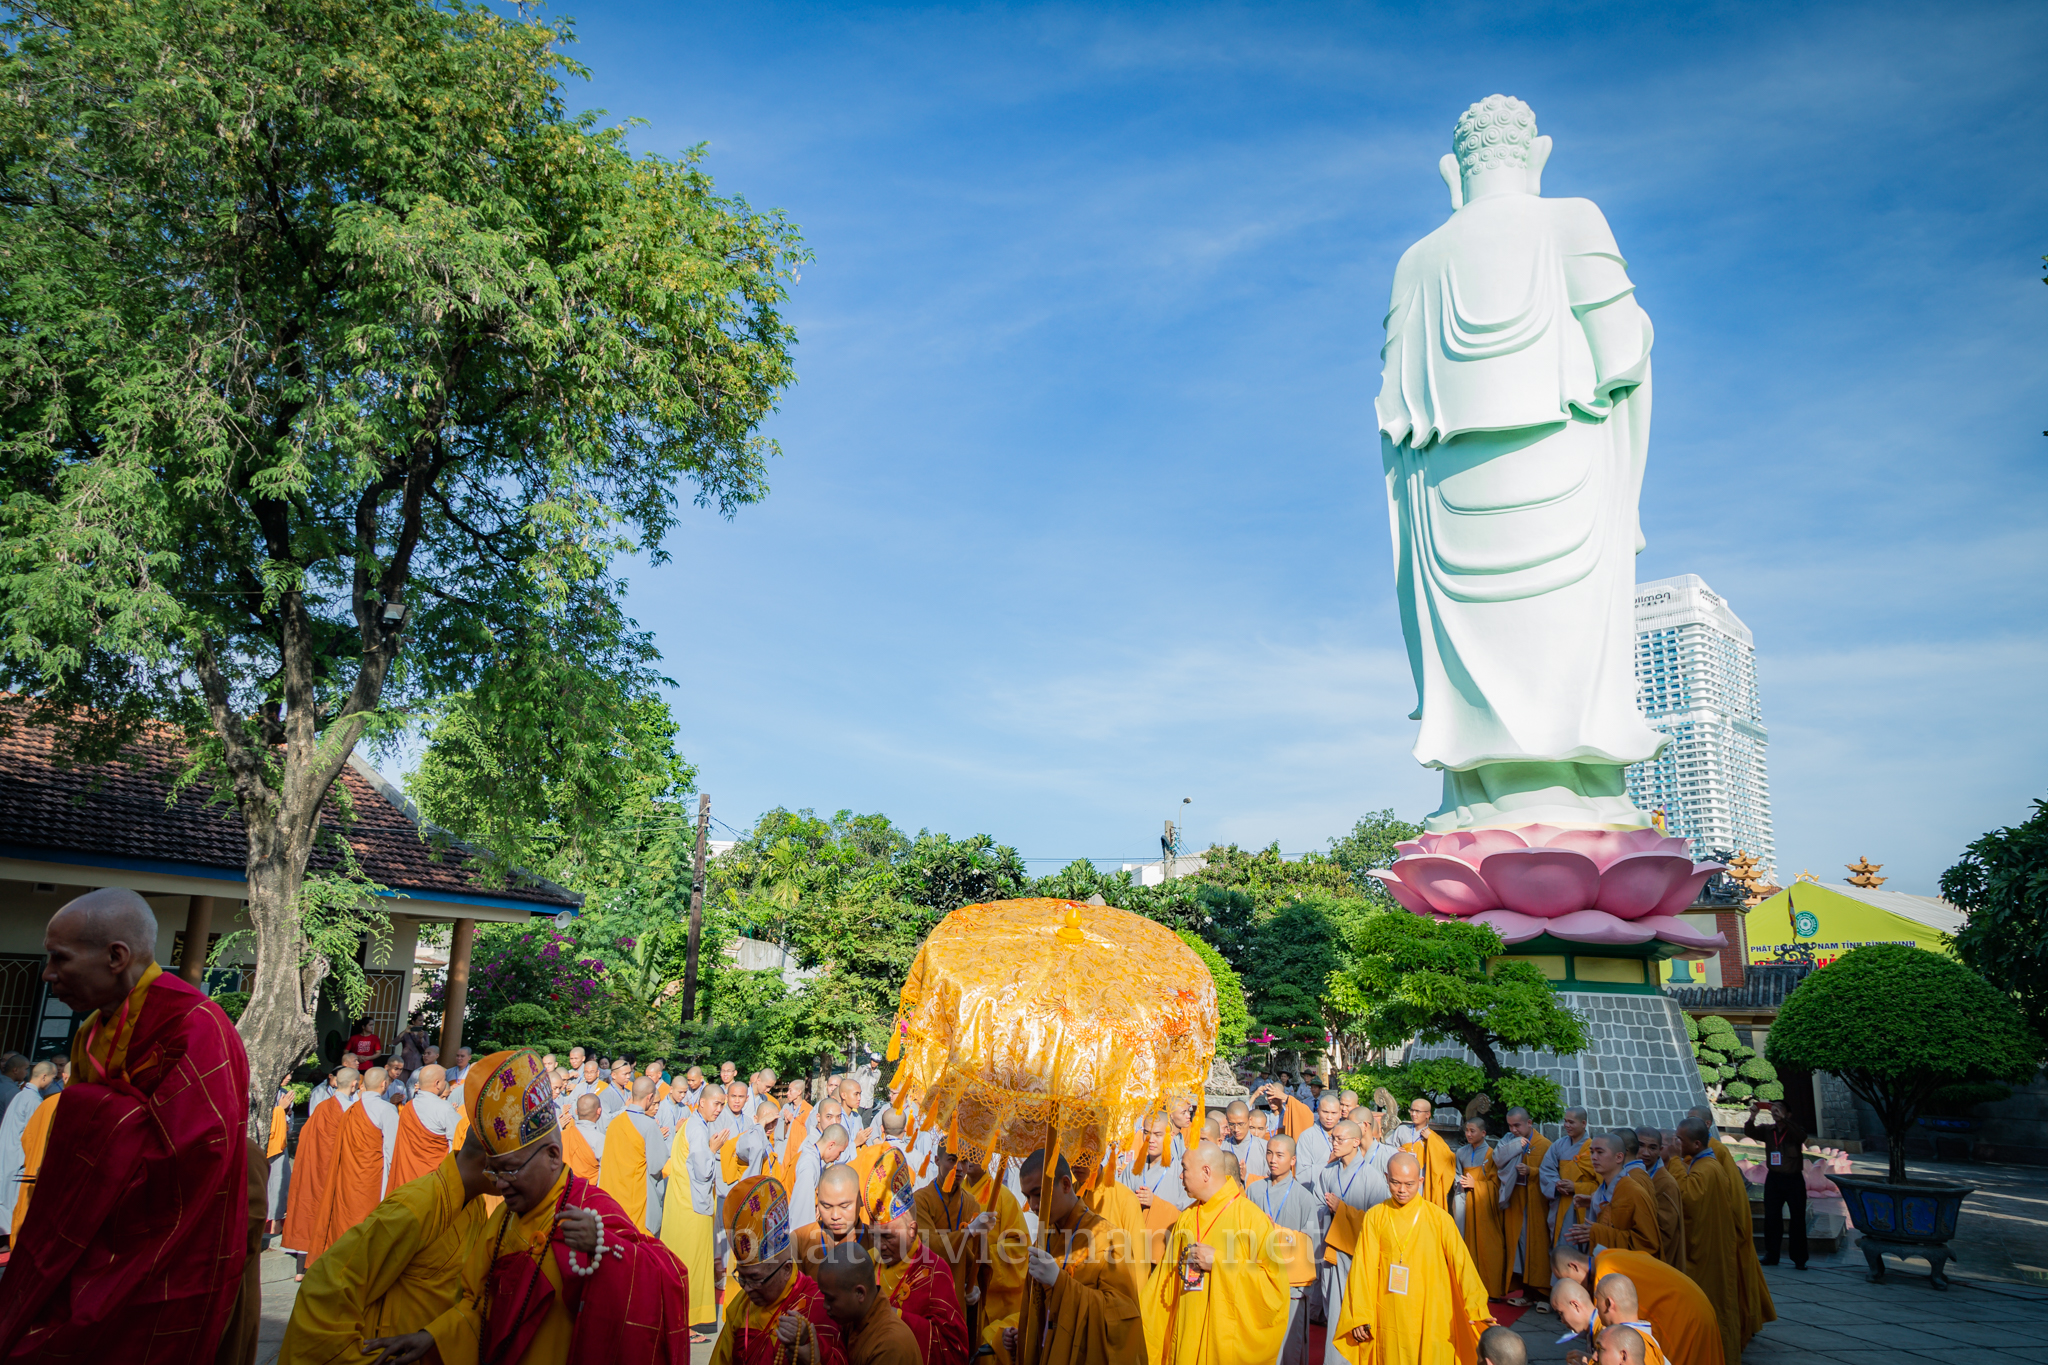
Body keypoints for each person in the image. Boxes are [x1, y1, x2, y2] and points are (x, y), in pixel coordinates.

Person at [0, 888, 251, 1359]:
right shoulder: (90, 1031)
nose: (48, 973)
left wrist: (96, 1115)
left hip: (158, 1250)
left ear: (116, 957)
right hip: (81, 1232)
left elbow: (196, 1159)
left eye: (60, 958)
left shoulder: (194, 1025)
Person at [370, 1048, 690, 1364]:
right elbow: (477, 1305)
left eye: (510, 1170)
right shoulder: (502, 1220)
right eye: (494, 1172)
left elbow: (668, 1276)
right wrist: (433, 1337)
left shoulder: (591, 1209)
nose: (500, 1184)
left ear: (552, 1155)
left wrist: (603, 1247)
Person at [280, 1131, 494, 1364]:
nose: (516, 1177)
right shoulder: (415, 1207)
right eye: (513, 1167)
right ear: (489, 1163)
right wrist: (358, 1358)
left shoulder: (475, 1205)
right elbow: (327, 1282)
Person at [1333, 1152, 1493, 1365]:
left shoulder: (1439, 1218)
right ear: (1386, 1177)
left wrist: (1478, 1307)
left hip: (1431, 1312)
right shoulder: (1375, 1216)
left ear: (1420, 1181)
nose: (1402, 1190)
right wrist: (1360, 1315)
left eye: (1409, 1184)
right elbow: (1362, 1269)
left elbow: (1462, 1265)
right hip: (1390, 1312)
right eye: (1395, 1183)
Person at [1140, 1140, 1291, 1365]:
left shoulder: (1252, 1219)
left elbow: (1274, 1291)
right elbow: (1163, 1284)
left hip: (1224, 1347)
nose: (1180, 1176)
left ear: (1206, 1172)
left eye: (1184, 1169)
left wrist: (1220, 1263)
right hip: (1186, 1337)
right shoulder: (1186, 1218)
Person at [997, 1147, 1144, 1365]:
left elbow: (1121, 1320)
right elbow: (1039, 1311)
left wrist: (1060, 1282)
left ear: (1066, 1184)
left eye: (1038, 1194)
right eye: (1027, 1196)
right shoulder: (1045, 1239)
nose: (1033, 1206)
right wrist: (1023, 1334)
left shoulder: (1109, 1239)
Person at [711, 1175, 850, 1365]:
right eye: (742, 1279)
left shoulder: (818, 1306)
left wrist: (812, 1354)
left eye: (755, 1279)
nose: (747, 1288)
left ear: (786, 1269)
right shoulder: (741, 1307)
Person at [865, 1147, 971, 1365]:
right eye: (874, 1236)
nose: (880, 1246)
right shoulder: (866, 1264)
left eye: (888, 1237)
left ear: (912, 1230)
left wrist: (897, 1317)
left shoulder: (935, 1272)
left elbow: (954, 1349)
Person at [1684, 1105, 1773, 1350]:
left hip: (1720, 1227)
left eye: (1695, 1121)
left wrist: (1734, 1226)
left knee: (1731, 1284)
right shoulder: (1693, 1153)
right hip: (1705, 1226)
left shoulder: (1717, 1151)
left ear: (1707, 1125)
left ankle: (1737, 1328)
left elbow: (1731, 1193)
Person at [1552, 1242, 1722, 1365]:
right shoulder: (1608, 1255)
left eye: (1565, 1278)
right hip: (1695, 1299)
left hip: (1684, 1313)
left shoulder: (1605, 1274)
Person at [1247, 1134, 1322, 1365]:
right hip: (1258, 1281)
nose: (1272, 1160)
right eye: (1269, 1153)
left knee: (1288, 1350)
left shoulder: (1304, 1198)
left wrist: (1278, 1232)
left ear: (1293, 1160)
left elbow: (1311, 1247)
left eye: (1280, 1155)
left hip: (1291, 1285)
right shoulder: (1254, 1191)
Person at [1672, 1119, 1741, 1365]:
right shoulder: (1702, 1164)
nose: (1676, 1143)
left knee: (1711, 1304)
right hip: (1709, 1244)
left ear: (1697, 1144)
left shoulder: (1707, 1168)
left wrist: (1674, 1161)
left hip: (1708, 1251)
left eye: (1680, 1140)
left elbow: (1688, 1197)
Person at [671, 1086, 730, 1340]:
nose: (719, 1109)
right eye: (716, 1104)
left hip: (682, 1204)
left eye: (721, 1105)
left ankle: (679, 1319)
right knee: (692, 1265)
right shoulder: (696, 1128)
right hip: (692, 1209)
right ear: (702, 1102)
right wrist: (713, 1150)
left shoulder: (693, 1124)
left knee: (682, 1262)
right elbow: (702, 1171)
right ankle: (686, 1323)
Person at [913, 1139, 987, 1316]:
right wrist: (968, 1232)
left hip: (961, 1292)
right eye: (952, 1160)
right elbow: (928, 1246)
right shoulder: (921, 1200)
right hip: (928, 1288)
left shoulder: (972, 1203)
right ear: (937, 1160)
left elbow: (978, 1256)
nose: (959, 1168)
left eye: (964, 1161)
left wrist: (974, 1285)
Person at [818, 1240, 923, 1365]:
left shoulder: (890, 1344)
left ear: (860, 1293)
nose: (825, 1305)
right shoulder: (853, 1321)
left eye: (831, 1299)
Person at [331, 1065, 403, 1241]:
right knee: (368, 1218)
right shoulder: (386, 1109)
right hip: (373, 1174)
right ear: (384, 1084)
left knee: (348, 1215)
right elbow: (393, 1149)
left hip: (349, 1171)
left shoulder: (351, 1109)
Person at [598, 1075, 671, 1235]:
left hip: (612, 1197)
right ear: (650, 1097)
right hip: (636, 1197)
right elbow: (657, 1165)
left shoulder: (615, 1123)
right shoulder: (649, 1125)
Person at [1568, 1130, 1659, 1258]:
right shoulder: (1603, 1189)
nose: (1594, 1157)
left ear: (1619, 1157)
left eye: (1600, 1152)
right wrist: (1593, 1202)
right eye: (1592, 1152)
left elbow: (1648, 1243)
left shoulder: (1634, 1192)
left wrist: (1599, 1233)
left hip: (1623, 1267)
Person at [1493, 1106, 1551, 1308]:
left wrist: (1531, 1171)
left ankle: (1543, 1294)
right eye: (1510, 1126)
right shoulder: (1508, 1141)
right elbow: (1497, 1160)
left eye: (1517, 1125)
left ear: (1529, 1123)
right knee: (1518, 1248)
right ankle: (1525, 1292)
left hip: (1536, 1205)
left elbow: (1552, 1175)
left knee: (1538, 1248)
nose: (1513, 1130)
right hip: (1515, 1201)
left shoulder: (1544, 1145)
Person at [1743, 1098, 1807, 1269]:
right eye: (1773, 1108)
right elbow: (1750, 1132)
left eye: (1779, 1108)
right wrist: (1752, 1116)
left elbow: (1801, 1137)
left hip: (1794, 1179)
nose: (1775, 1111)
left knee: (1797, 1218)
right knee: (1771, 1217)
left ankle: (1799, 1258)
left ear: (1788, 1114)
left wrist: (1785, 1120)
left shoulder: (1795, 1130)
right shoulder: (1768, 1130)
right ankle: (1772, 1254)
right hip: (1774, 1179)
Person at [1451, 1115, 1507, 1299]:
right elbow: (1457, 1175)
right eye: (1466, 1130)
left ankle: (1490, 1288)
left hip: (1484, 1203)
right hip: (1464, 1200)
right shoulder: (1461, 1152)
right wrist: (1460, 1183)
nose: (1468, 1134)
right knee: (1464, 1242)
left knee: (1488, 1245)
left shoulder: (1491, 1155)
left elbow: (1496, 1184)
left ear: (1483, 1133)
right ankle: (1466, 1287)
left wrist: (1477, 1185)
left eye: (1472, 1131)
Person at [1122, 1114, 1189, 1265]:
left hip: (1165, 1252)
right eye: (1147, 1133)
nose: (1151, 1140)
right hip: (1131, 1252)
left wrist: (1156, 1204)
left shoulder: (1181, 1173)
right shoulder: (1132, 1168)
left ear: (1171, 1136)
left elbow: (1186, 1218)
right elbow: (1119, 1207)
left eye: (1158, 1135)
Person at [0, 1058, 56, 1237]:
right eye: (53, 1078)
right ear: (44, 1077)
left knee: (5, 1195)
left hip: (8, 1151)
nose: (52, 1083)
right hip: (18, 1155)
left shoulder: (20, 1095)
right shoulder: (33, 1100)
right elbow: (34, 1135)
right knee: (12, 1197)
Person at [389, 1063, 460, 1190]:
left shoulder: (408, 1107)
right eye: (444, 1080)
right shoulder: (444, 1108)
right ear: (437, 1083)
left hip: (406, 1176)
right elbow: (458, 1139)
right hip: (430, 1180)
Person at [1539, 1107, 1598, 1247]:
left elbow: (1602, 1185)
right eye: (1565, 1121)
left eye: (1571, 1122)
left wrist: (1576, 1187)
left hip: (1585, 1206)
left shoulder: (1593, 1149)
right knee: (1562, 1243)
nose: (1566, 1125)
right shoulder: (1558, 1145)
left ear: (1583, 1124)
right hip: (1562, 1202)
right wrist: (1556, 1184)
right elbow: (1546, 1169)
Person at [797, 1164, 867, 1268]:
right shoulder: (800, 1240)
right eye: (826, 1206)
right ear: (817, 1197)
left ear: (860, 1198)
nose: (835, 1216)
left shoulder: (877, 1242)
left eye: (844, 1206)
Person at [1389, 1097, 1454, 1208]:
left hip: (1422, 1180)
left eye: (1417, 1111)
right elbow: (1386, 1147)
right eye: (1412, 1110)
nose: (1413, 1114)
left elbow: (1449, 1158)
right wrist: (1395, 1150)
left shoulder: (1433, 1137)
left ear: (1427, 1114)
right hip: (1402, 1178)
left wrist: (1431, 1140)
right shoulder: (1402, 1130)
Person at [1636, 1129, 1685, 1273]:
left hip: (1651, 1260)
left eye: (1652, 1148)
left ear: (1660, 1150)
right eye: (1641, 1146)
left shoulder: (1665, 1183)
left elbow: (1665, 1232)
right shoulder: (1632, 1172)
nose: (1646, 1153)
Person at [1592, 1274, 1669, 1365]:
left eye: (1597, 1299)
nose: (1596, 1306)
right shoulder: (1641, 1340)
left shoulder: (1637, 1348)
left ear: (1609, 1304)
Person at [795, 1123, 853, 1231]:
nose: (838, 1158)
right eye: (840, 1152)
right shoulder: (809, 1166)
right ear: (831, 1145)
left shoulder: (814, 1159)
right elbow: (802, 1208)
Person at [265, 1082, 295, 1236]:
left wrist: (286, 1111)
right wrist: (280, 1109)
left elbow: (289, 1124)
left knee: (280, 1182)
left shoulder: (284, 1092)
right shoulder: (262, 1087)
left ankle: (276, 1223)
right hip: (267, 1142)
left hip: (280, 1143)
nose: (288, 1077)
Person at [1220, 1100, 1268, 1178]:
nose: (1236, 1129)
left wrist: (1247, 1177)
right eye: (1231, 1124)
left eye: (1240, 1124)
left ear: (1249, 1120)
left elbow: (1271, 1180)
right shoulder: (1222, 1147)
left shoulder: (1264, 1147)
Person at [562, 1093, 605, 1180]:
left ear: (576, 1111)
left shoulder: (563, 1135)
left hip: (565, 1185)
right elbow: (604, 1172)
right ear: (599, 1111)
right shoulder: (601, 1140)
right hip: (589, 1187)